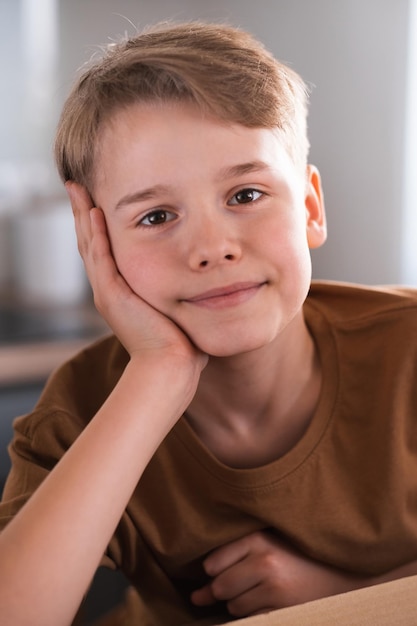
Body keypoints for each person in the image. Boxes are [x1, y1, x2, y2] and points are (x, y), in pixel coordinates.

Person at [0, 20, 417, 626]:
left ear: (309, 207)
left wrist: (343, 593)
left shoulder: (406, 348)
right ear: (98, 247)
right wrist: (158, 374)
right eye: (157, 215)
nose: (212, 248)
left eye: (245, 195)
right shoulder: (81, 410)